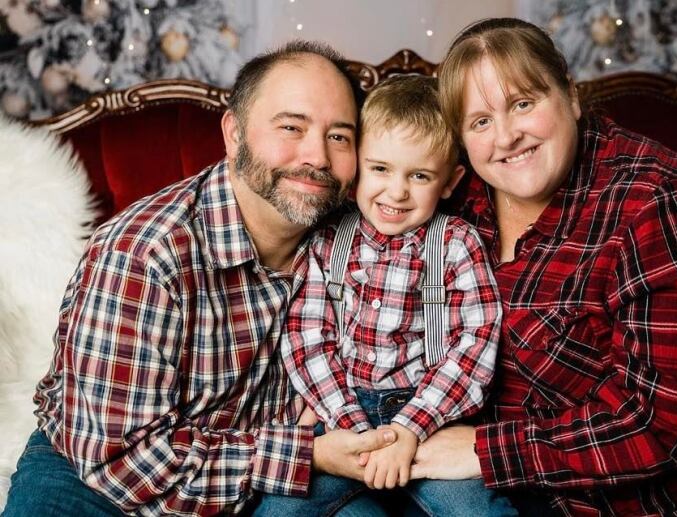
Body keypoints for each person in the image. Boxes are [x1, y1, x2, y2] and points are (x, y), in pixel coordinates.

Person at [2, 41, 400, 517]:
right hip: (101, 472)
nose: (317, 155)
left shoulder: (360, 239)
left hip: (256, 469)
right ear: (234, 133)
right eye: (291, 127)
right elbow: (124, 462)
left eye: (339, 136)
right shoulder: (143, 254)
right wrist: (306, 453)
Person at [409, 17, 677, 516]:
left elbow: (663, 429)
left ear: (571, 95)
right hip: (528, 481)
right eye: (480, 122)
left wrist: (483, 449)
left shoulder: (667, 206)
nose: (507, 136)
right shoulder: (460, 200)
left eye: (523, 103)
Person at [257, 75, 516, 516]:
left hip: (431, 416)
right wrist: (355, 431)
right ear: (356, 165)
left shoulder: (457, 243)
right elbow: (307, 340)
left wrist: (409, 429)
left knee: (481, 512)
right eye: (380, 169)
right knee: (278, 510)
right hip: (341, 415)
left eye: (419, 175)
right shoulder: (328, 242)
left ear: (450, 181)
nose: (396, 192)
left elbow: (475, 344)